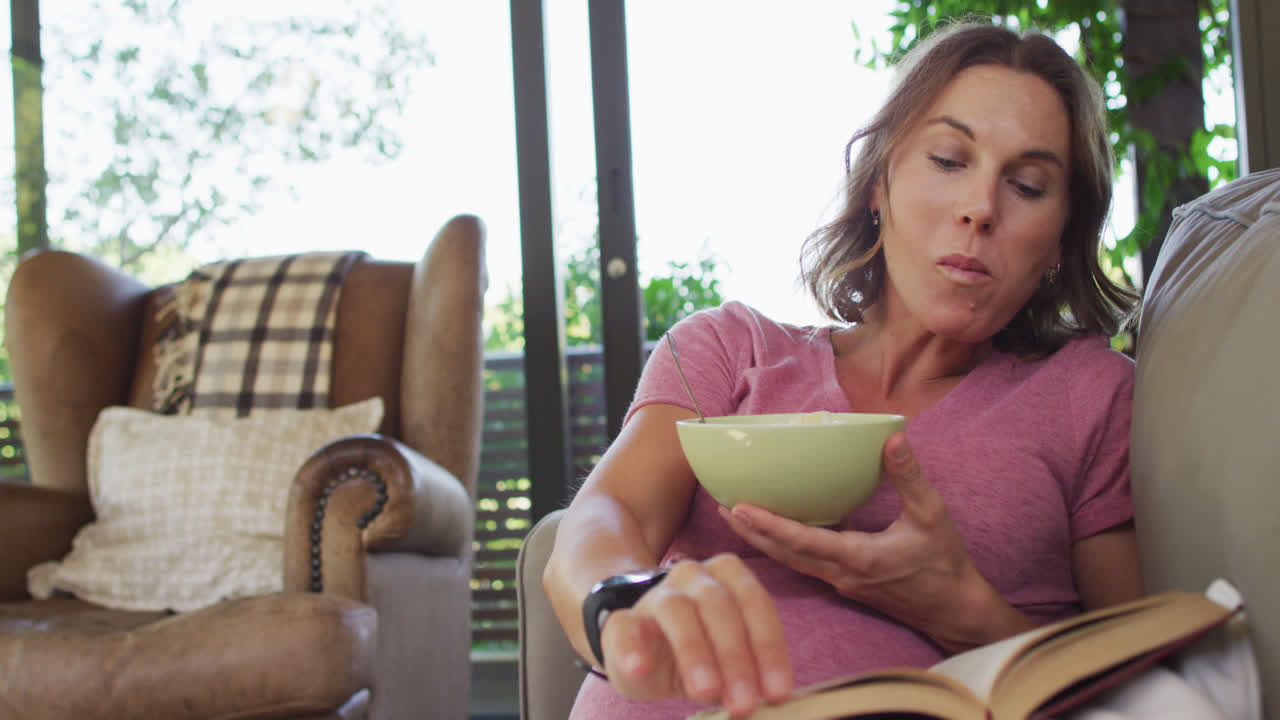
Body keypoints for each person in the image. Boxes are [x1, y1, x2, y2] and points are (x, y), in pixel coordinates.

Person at [542, 20, 1145, 720]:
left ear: (1062, 241)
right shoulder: (731, 348)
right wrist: (623, 600)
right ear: (877, 186)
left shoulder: (1088, 395)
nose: (980, 208)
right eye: (949, 160)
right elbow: (607, 515)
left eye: (1030, 185)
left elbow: (1137, 680)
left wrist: (960, 608)